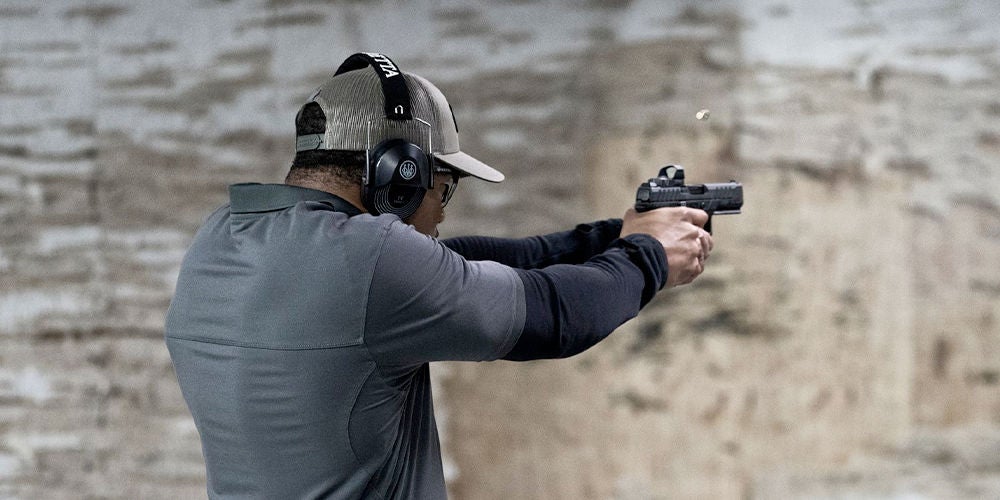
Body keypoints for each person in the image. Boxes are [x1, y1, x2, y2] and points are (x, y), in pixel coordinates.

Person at [165, 52, 712, 499]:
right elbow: (557, 315)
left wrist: (615, 233)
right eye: (443, 184)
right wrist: (650, 256)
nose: (444, 209)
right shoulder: (374, 260)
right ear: (400, 174)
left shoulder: (226, 237)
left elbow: (469, 262)